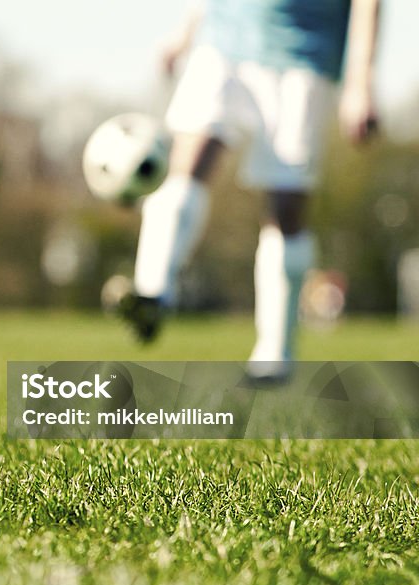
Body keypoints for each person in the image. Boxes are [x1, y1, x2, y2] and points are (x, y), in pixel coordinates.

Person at [118, 0, 380, 382]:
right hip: (224, 41)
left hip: (303, 54)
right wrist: (184, 33)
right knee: (187, 162)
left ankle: (274, 352)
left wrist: (361, 81)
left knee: (286, 205)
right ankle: (152, 294)